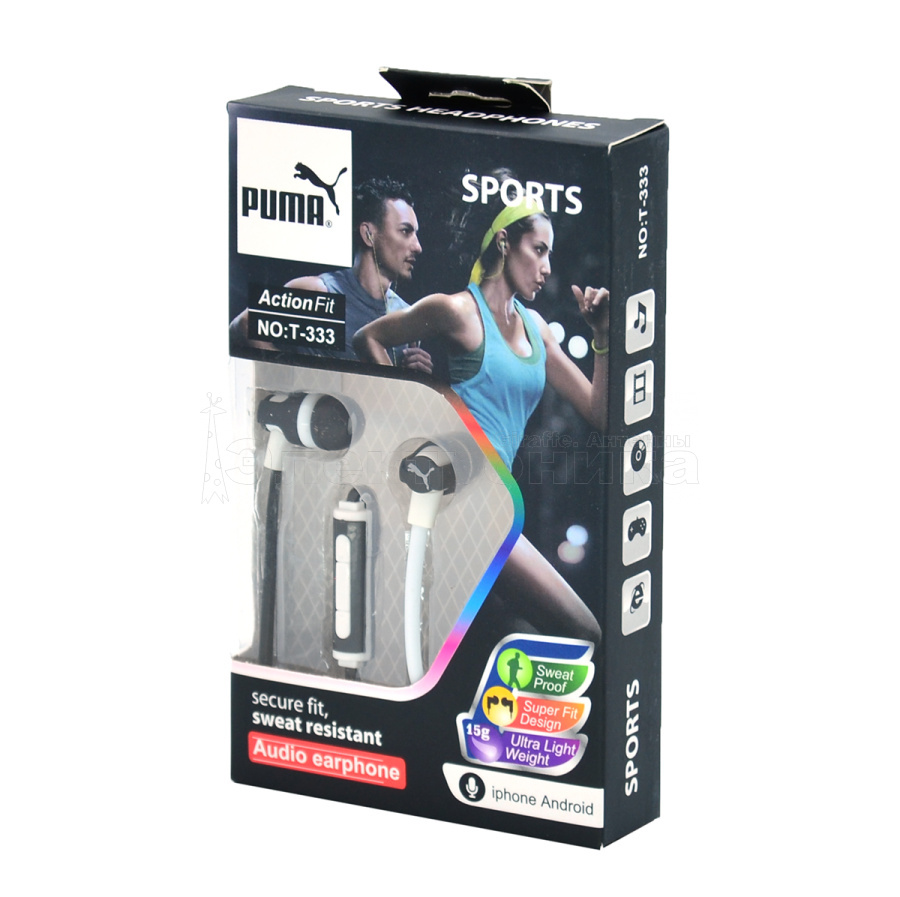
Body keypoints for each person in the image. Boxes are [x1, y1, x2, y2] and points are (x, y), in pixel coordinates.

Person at [353, 185, 608, 643]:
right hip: (461, 497)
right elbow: (367, 337)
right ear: (505, 243)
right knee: (584, 630)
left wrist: (602, 337)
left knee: (491, 640)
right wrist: (406, 404)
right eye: (539, 250)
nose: (548, 267)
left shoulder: (536, 329)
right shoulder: (456, 311)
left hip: (497, 503)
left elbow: (599, 412)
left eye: (550, 254)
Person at [232, 178, 432, 373]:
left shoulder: (408, 315)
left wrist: (412, 378)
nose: (418, 247)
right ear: (368, 234)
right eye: (405, 231)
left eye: (416, 234)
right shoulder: (320, 292)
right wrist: (290, 378)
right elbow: (242, 325)